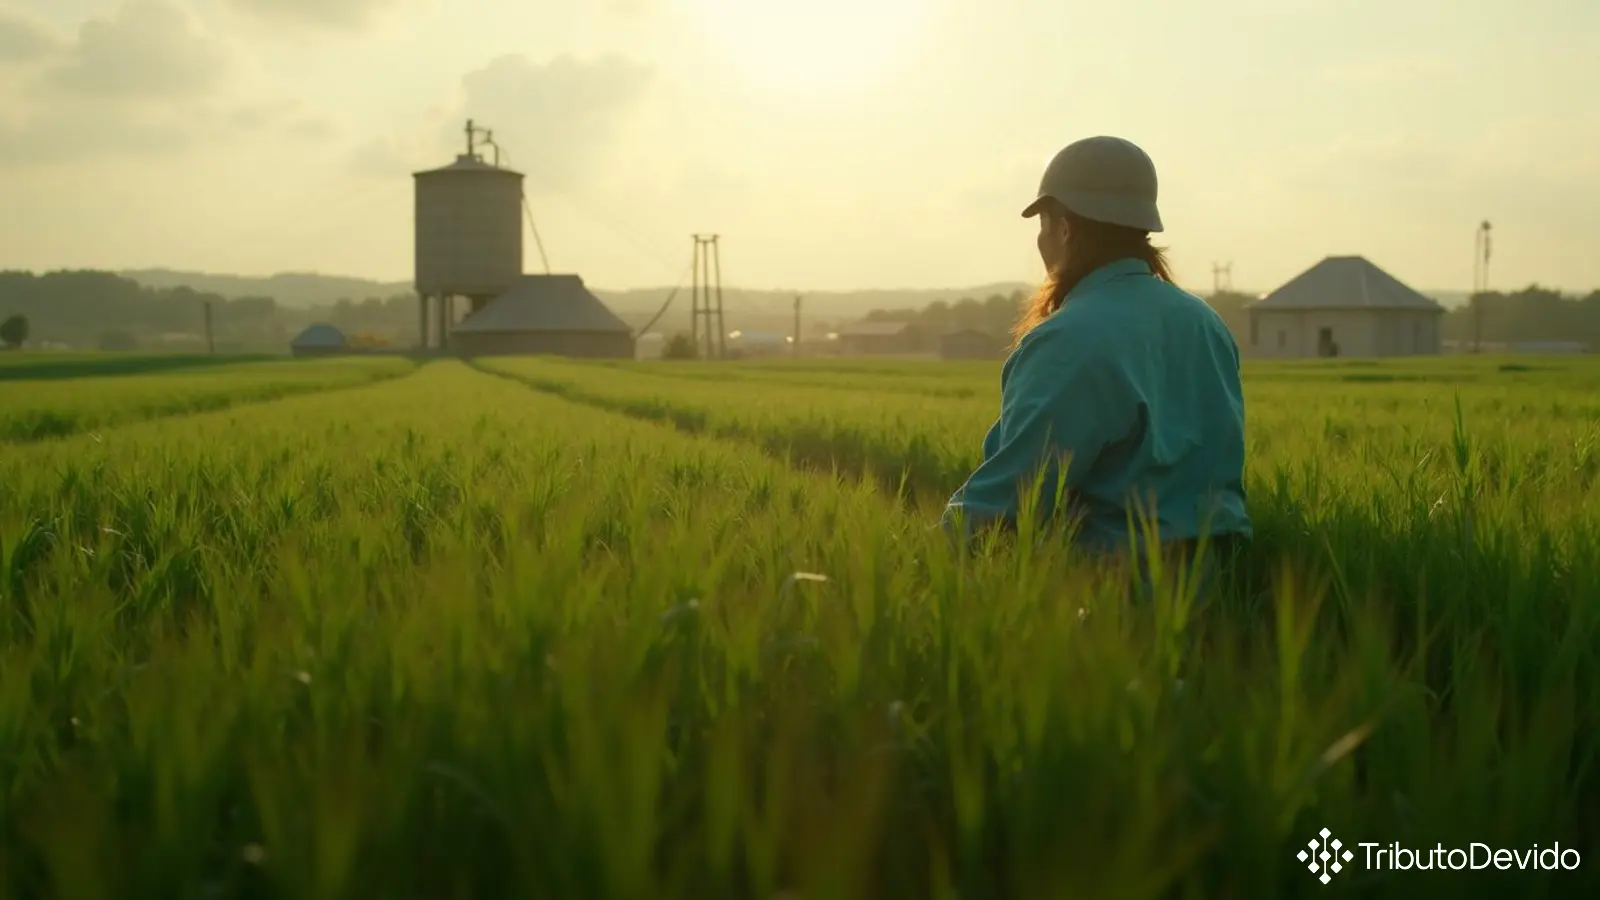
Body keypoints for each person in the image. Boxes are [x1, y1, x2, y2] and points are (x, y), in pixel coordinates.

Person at [940, 136, 1251, 596]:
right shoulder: (1205, 322)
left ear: (1064, 229)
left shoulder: (1067, 338)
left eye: (1043, 224)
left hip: (1110, 600)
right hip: (1221, 595)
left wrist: (914, 563)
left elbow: (1013, 497)